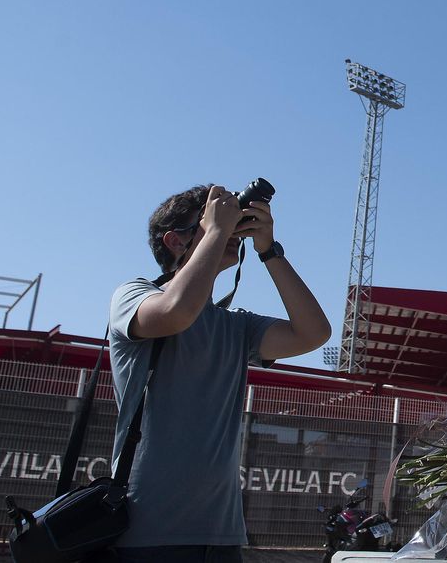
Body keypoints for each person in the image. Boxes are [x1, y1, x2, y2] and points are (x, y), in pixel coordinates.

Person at [107, 184, 332, 560]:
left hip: (222, 533)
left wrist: (268, 251)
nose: (229, 230)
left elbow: (314, 333)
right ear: (175, 241)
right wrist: (216, 231)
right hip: (146, 531)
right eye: (213, 220)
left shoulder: (235, 327)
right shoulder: (133, 294)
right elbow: (175, 312)